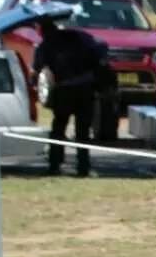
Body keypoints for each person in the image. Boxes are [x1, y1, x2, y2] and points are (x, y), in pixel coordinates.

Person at [32, 17, 107, 178]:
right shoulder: (78, 38)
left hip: (63, 91)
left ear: (42, 30)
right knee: (83, 131)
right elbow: (97, 58)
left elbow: (38, 69)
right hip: (85, 89)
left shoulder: (46, 45)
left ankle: (55, 164)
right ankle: (83, 167)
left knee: (58, 128)